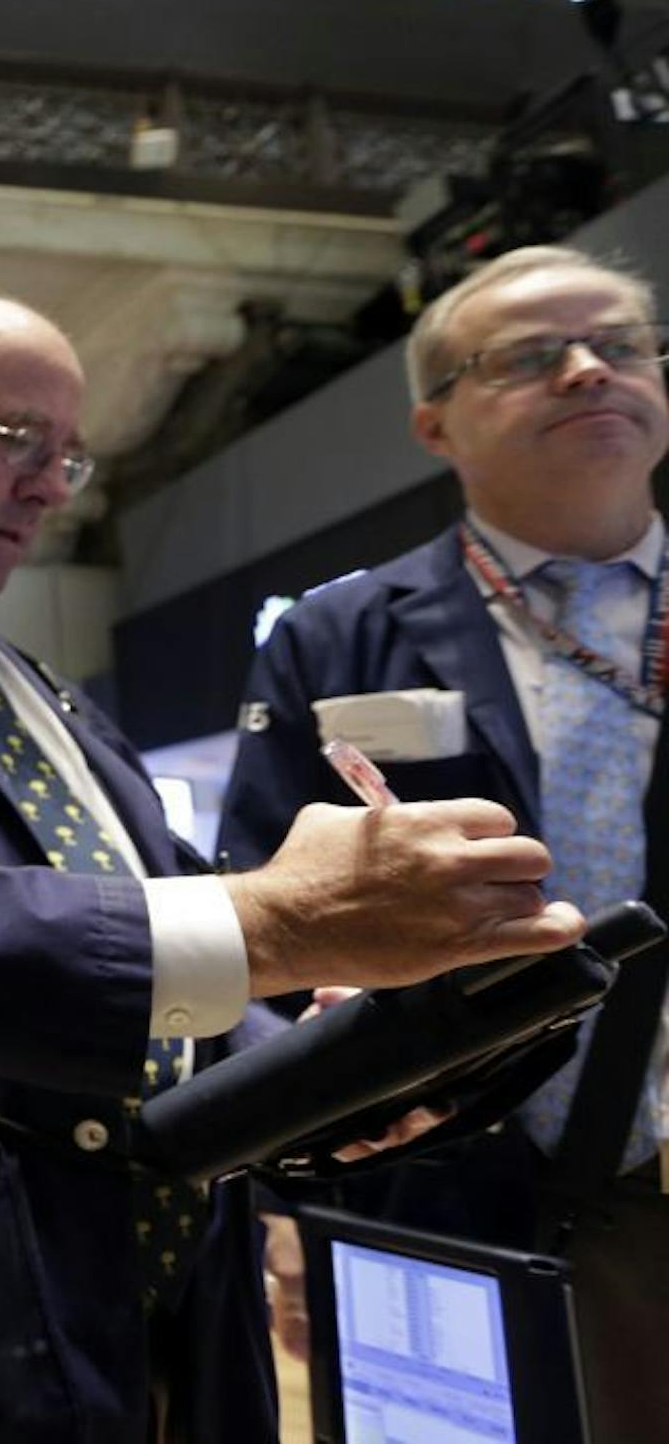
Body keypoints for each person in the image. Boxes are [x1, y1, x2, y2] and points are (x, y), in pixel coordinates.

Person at [0, 288, 582, 1442]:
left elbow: (182, 924)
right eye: (16, 442)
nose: (50, 485)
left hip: (161, 1288)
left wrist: (318, 1064)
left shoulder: (32, 684)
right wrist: (278, 925)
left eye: (70, 459)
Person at [218, 244, 669, 1441]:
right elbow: (261, 927)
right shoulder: (342, 633)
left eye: (620, 345)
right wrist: (290, 1190)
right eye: (530, 357)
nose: (587, 373)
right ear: (434, 424)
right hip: (455, 1187)